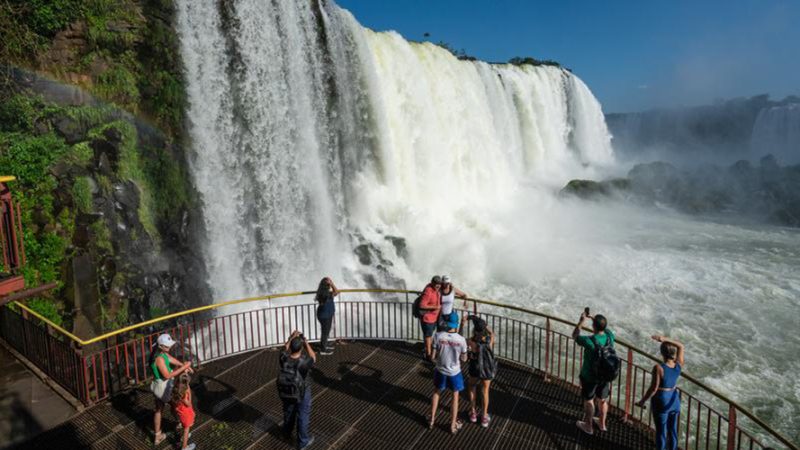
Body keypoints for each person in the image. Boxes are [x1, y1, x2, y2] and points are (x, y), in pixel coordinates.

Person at [636, 335, 685, 450]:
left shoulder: (659, 368)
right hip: (674, 399)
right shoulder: (678, 365)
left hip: (662, 400)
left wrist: (642, 401)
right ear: (674, 353)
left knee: (661, 432)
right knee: (672, 430)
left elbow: (653, 388)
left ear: (662, 353)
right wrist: (665, 339)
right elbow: (681, 346)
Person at [572, 311, 615, 435]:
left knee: (589, 400)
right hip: (605, 376)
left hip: (589, 377)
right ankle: (602, 424)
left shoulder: (589, 341)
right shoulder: (609, 337)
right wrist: (595, 319)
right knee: (603, 400)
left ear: (593, 327)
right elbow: (606, 329)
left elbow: (575, 335)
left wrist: (581, 321)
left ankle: (588, 426)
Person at [150, 333, 193, 446]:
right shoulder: (159, 358)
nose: (169, 347)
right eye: (167, 346)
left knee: (159, 409)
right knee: (177, 404)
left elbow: (171, 359)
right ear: (161, 346)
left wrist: (184, 365)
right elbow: (167, 375)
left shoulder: (161, 353)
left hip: (157, 386)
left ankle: (157, 436)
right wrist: (184, 367)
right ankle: (183, 426)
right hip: (163, 387)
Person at [429, 312, 468, 434]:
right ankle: (452, 426)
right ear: (456, 324)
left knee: (436, 392)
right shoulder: (461, 340)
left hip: (440, 369)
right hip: (454, 372)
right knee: (455, 397)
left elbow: (432, 356)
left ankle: (431, 420)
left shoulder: (438, 336)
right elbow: (464, 359)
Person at [278, 330, 316, 450]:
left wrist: (291, 338)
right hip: (302, 391)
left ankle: (285, 435)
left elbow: (284, 348)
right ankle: (303, 442)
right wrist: (306, 342)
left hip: (287, 390)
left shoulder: (283, 358)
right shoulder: (304, 362)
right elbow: (313, 357)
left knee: (289, 413)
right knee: (302, 416)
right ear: (301, 349)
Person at [466, 315, 495, 428]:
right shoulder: (489, 341)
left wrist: (464, 323)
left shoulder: (470, 341)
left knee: (472, 386)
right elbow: (492, 333)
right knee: (485, 391)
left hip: (475, 367)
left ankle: (473, 413)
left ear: (475, 330)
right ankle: (484, 416)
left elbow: (459, 337)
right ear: (484, 330)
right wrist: (485, 325)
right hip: (486, 368)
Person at [170, 372, 196, 450]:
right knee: (186, 428)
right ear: (186, 383)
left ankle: (185, 435)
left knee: (184, 424)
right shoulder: (185, 393)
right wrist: (189, 396)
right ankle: (184, 446)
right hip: (186, 412)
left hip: (180, 411)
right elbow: (188, 404)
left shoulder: (176, 388)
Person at [419, 275, 442, 360]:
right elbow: (422, 305)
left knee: (429, 335)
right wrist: (435, 307)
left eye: (439, 284)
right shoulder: (428, 291)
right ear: (432, 283)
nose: (438, 286)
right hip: (428, 318)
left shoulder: (436, 289)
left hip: (434, 318)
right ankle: (429, 355)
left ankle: (426, 350)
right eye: (436, 284)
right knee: (428, 336)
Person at [315, 277, 339, 355]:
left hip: (324, 314)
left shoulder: (321, 293)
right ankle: (323, 349)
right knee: (325, 332)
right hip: (325, 315)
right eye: (329, 284)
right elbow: (337, 292)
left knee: (325, 331)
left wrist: (330, 283)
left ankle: (324, 344)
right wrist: (332, 284)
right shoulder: (328, 294)